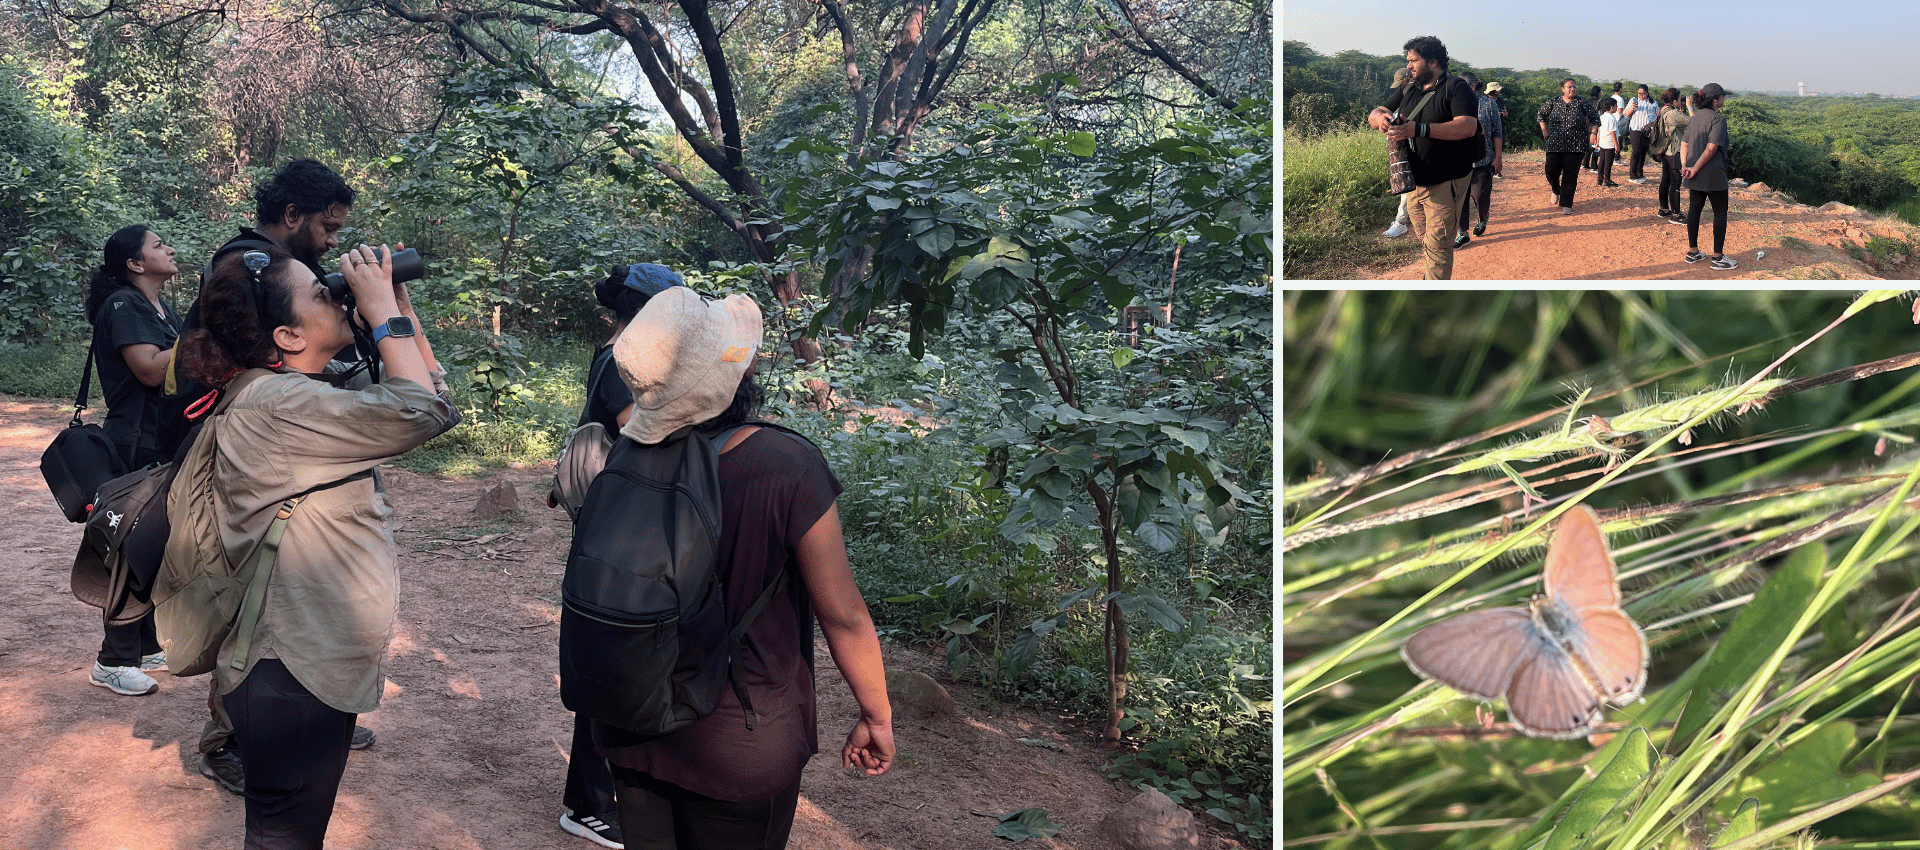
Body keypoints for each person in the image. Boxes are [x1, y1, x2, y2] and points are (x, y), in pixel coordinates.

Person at [175, 242, 458, 847]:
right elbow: (421, 411)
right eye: (321, 292)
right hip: (289, 670)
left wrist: (396, 307)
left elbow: (434, 401)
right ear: (288, 335)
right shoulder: (276, 404)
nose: (340, 294)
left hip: (302, 662)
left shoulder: (296, 395)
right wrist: (380, 309)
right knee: (285, 839)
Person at [591, 287, 894, 849]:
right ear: (739, 372)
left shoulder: (625, 455)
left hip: (631, 718)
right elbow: (844, 615)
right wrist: (876, 715)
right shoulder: (785, 465)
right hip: (741, 741)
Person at [189, 159, 378, 798]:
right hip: (263, 450)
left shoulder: (280, 272)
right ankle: (232, 737)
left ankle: (305, 704)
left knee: (293, 580)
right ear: (292, 216)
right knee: (252, 592)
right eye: (326, 228)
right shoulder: (247, 267)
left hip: (293, 439)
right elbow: (207, 360)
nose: (331, 243)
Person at [547, 262, 685, 850]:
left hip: (621, 519)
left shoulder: (625, 351)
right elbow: (637, 429)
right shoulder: (622, 358)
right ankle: (588, 802)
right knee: (617, 654)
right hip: (621, 524)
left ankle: (613, 791)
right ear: (649, 309)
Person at [81, 224, 183, 697]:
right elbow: (148, 368)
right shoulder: (124, 304)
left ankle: (144, 645)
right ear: (135, 264)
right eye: (158, 245)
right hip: (135, 442)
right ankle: (112, 660)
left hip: (160, 440)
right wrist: (205, 338)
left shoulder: (162, 307)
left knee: (155, 543)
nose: (170, 249)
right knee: (129, 545)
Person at [1366, 36, 1481, 279]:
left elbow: (1467, 127)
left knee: (1439, 243)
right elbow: (1376, 112)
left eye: (1413, 60)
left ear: (1433, 61)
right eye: (1408, 60)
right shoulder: (1409, 88)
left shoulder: (1456, 88)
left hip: (1445, 179)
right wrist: (1381, 119)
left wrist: (1419, 129)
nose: (1409, 65)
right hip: (1414, 182)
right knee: (1426, 237)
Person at [1680, 82, 1737, 269]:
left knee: (1694, 210)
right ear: (1715, 99)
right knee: (1719, 212)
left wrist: (1686, 167)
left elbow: (1684, 145)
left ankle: (1693, 252)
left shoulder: (1694, 118)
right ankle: (1718, 258)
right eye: (1722, 96)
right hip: (1713, 174)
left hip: (1693, 173)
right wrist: (1695, 168)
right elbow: (1712, 148)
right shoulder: (1718, 120)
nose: (1723, 99)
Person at [1537, 77, 1602, 216]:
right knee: (1550, 170)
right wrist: (1544, 130)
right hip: (1555, 143)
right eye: (1569, 87)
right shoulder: (1554, 101)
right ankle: (1556, 190)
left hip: (1576, 144)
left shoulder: (1581, 102)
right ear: (1563, 89)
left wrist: (1593, 132)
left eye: (1574, 87)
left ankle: (1567, 203)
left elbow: (1595, 117)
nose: (1572, 89)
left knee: (1570, 174)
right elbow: (1541, 114)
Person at [1454, 72, 1502, 244]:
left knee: (1480, 196)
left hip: (1483, 159)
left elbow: (1497, 131)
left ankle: (1483, 217)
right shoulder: (1454, 103)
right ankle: (1463, 233)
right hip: (1458, 160)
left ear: (1472, 85)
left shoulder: (1489, 104)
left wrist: (1498, 158)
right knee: (1459, 198)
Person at [1381, 67, 1415, 238]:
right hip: (1406, 149)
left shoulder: (1421, 95)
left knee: (1408, 190)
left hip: (1419, 149)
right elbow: (1380, 111)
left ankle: (1401, 223)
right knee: (1409, 189)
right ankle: (1401, 222)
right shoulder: (1405, 99)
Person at [1655, 87, 1691, 223]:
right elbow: (1693, 122)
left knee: (1666, 179)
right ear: (1675, 100)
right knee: (1675, 182)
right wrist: (1689, 107)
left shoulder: (1663, 110)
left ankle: (1664, 209)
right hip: (1674, 151)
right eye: (1680, 98)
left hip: (1665, 150)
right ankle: (1676, 214)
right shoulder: (1673, 114)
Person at [1622, 84, 1658, 182]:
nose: (1641, 96)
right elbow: (1625, 114)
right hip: (1636, 129)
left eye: (1643, 94)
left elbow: (1657, 116)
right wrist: (1632, 108)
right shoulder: (1634, 100)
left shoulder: (1653, 102)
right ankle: (1632, 175)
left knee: (1643, 152)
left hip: (1648, 131)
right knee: (1636, 152)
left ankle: (1640, 173)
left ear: (1647, 93)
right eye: (1639, 93)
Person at [1595, 98, 1622, 189]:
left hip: (1603, 143)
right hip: (1610, 144)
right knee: (1608, 163)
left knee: (1602, 161)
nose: (1616, 108)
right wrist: (1616, 144)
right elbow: (1612, 133)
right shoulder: (1612, 118)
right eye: (1615, 106)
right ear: (1611, 107)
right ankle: (1607, 180)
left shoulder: (1602, 117)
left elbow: (1599, 130)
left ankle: (1600, 179)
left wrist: (1597, 141)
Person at [1484, 82, 1509, 177]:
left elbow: (1506, 112)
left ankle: (1496, 169)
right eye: (1498, 89)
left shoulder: (1501, 100)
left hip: (1499, 127)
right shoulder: (1485, 101)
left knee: (1497, 148)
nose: (1500, 91)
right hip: (1488, 128)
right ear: (1493, 91)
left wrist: (1505, 113)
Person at [1583, 85, 1605, 172]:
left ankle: (1585, 164)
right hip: (1595, 127)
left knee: (1588, 146)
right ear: (1599, 93)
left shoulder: (1586, 101)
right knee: (1596, 146)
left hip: (1586, 126)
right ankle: (1594, 166)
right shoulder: (1600, 102)